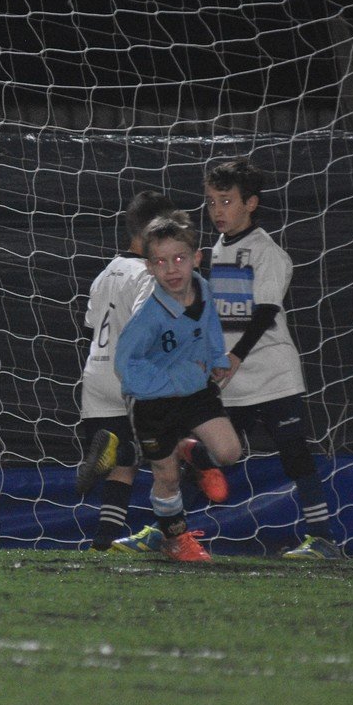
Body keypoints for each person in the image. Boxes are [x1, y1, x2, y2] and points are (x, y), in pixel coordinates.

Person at [204, 156, 343, 560]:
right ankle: (171, 529)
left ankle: (322, 539)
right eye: (211, 202)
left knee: (293, 452)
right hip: (230, 378)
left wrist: (235, 356)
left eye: (226, 201)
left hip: (271, 373)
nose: (217, 211)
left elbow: (264, 312)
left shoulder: (267, 252)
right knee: (213, 452)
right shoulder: (214, 251)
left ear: (251, 204)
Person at [107, 214, 243, 562]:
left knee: (229, 452)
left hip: (196, 392)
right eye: (161, 262)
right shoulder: (148, 316)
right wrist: (172, 380)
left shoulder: (203, 287)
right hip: (153, 403)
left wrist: (217, 357)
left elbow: (211, 325)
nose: (171, 268)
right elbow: (125, 366)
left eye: (179, 258)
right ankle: (175, 540)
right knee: (165, 478)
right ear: (150, 268)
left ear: (196, 259)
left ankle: (192, 451)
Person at [75, 190, 180, 552]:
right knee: (168, 451)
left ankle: (103, 543)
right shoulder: (147, 276)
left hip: (96, 378)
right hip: (128, 379)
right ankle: (171, 536)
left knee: (124, 470)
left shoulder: (107, 272)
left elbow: (91, 321)